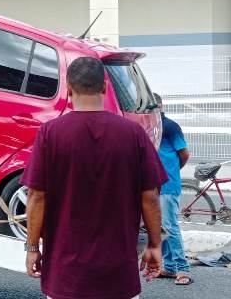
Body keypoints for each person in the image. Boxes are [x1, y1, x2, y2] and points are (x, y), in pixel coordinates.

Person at [21, 57, 167, 299]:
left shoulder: (51, 133)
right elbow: (149, 196)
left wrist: (32, 247)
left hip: (66, 274)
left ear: (68, 89)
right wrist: (154, 244)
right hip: (118, 273)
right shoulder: (133, 133)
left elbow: (37, 196)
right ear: (104, 87)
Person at [153, 93, 192, 285]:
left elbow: (184, 154)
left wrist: (172, 171)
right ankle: (169, 267)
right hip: (153, 186)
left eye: (153, 107)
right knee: (162, 227)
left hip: (168, 184)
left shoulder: (170, 126)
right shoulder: (148, 128)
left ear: (160, 106)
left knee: (170, 226)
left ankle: (183, 269)